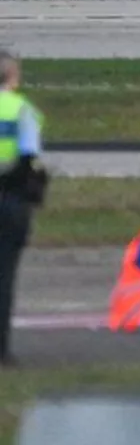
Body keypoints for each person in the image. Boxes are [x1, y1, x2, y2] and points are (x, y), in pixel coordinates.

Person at [0, 50, 47, 367]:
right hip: (11, 199)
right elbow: (28, 157)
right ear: (13, 77)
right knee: (5, 276)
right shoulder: (21, 110)